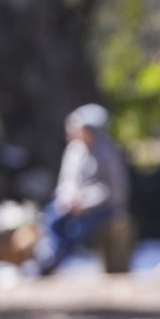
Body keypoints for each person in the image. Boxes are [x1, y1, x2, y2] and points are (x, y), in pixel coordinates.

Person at [35, 103, 131, 276]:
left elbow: (115, 191)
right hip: (72, 205)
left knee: (76, 231)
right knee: (51, 218)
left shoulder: (107, 153)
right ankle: (48, 256)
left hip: (102, 209)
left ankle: (52, 261)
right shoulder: (75, 151)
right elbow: (66, 181)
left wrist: (87, 203)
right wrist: (68, 198)